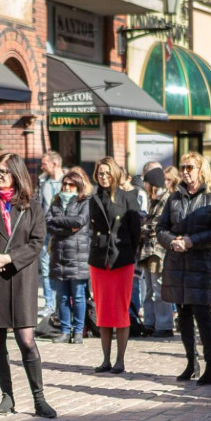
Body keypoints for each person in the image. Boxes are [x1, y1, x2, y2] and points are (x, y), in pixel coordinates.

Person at [0, 152, 55, 418]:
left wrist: (9, 258)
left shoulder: (32, 206)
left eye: (4, 171)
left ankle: (39, 399)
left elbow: (37, 243)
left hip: (21, 279)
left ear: (16, 173)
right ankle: (7, 396)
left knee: (26, 340)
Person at [158, 153, 211, 383]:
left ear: (200, 169)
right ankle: (191, 363)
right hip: (178, 264)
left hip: (202, 264)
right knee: (184, 316)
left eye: (190, 167)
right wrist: (172, 241)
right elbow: (161, 228)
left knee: (203, 316)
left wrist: (192, 240)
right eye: (183, 167)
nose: (185, 171)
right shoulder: (175, 198)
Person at [89, 158, 142, 374]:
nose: (103, 177)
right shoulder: (93, 198)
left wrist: (127, 250)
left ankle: (120, 360)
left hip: (121, 258)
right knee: (103, 312)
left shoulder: (129, 197)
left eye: (107, 173)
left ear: (115, 174)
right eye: (100, 173)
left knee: (120, 310)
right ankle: (105, 360)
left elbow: (135, 230)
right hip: (99, 259)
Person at [46, 167, 92, 344]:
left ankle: (78, 331)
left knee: (79, 295)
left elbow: (80, 222)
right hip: (59, 254)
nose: (66, 187)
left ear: (78, 186)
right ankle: (65, 330)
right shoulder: (56, 200)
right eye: (64, 183)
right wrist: (67, 228)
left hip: (78, 254)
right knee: (62, 296)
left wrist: (59, 224)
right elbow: (48, 222)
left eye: (71, 184)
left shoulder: (85, 201)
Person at [138, 167, 174, 337]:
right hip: (147, 250)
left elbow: (156, 225)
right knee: (149, 290)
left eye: (146, 182)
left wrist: (141, 227)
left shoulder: (166, 199)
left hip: (158, 250)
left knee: (159, 289)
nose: (144, 185)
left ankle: (165, 324)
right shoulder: (153, 199)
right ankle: (150, 322)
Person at [38, 151, 67, 319]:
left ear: (55, 164)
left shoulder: (69, 180)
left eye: (45, 163)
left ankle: (61, 304)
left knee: (62, 268)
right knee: (46, 268)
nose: (42, 166)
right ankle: (49, 304)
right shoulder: (43, 182)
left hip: (63, 232)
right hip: (46, 231)